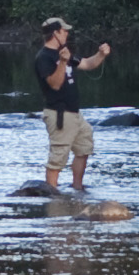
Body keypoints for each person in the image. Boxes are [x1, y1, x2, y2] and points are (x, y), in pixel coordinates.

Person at [31, 13, 113, 192]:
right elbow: (54, 84)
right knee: (58, 157)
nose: (67, 34)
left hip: (75, 114)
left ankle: (77, 187)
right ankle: (51, 194)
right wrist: (62, 62)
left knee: (84, 147)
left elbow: (87, 64)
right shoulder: (44, 57)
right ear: (56, 33)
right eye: (64, 31)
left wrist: (101, 54)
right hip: (59, 114)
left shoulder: (64, 54)